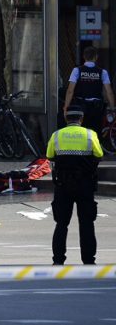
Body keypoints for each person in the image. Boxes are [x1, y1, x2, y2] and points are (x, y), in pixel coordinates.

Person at [45, 105, 102, 265]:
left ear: (66, 118)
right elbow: (99, 154)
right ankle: (89, 260)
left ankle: (58, 260)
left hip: (63, 185)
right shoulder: (90, 135)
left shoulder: (57, 135)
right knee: (87, 224)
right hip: (85, 185)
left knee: (61, 224)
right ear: (81, 118)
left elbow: (49, 155)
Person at [63, 46, 116, 133]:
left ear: (84, 57)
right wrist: (112, 108)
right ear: (96, 57)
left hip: (80, 107)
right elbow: (109, 92)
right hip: (96, 108)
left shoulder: (76, 70)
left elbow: (70, 91)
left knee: (80, 132)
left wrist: (66, 107)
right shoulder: (102, 72)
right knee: (95, 132)